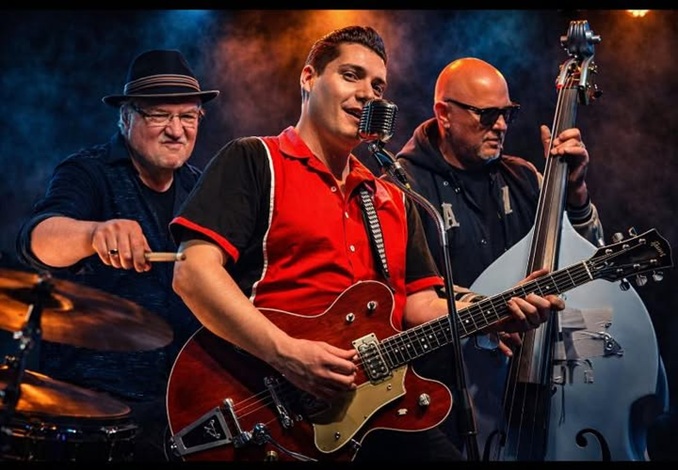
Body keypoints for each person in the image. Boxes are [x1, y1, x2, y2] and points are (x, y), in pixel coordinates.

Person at [168, 26, 567, 463]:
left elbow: (419, 303)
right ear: (309, 77)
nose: (366, 94)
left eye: (377, 86)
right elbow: (193, 273)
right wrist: (287, 354)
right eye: (350, 75)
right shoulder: (255, 160)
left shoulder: (392, 195)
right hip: (266, 412)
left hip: (371, 412)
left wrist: (492, 311)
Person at [14, 49, 220, 461]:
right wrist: (93, 233)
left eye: (188, 116)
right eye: (160, 115)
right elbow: (36, 239)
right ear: (125, 117)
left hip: (176, 407)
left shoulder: (200, 189)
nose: (176, 130)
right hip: (92, 411)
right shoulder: (88, 172)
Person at [393, 57, 604, 456]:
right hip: (445, 398)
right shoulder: (402, 186)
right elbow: (402, 295)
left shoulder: (525, 177)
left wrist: (575, 192)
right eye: (487, 115)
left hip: (531, 380)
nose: (502, 126)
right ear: (444, 114)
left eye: (508, 113)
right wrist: (492, 309)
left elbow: (586, 257)